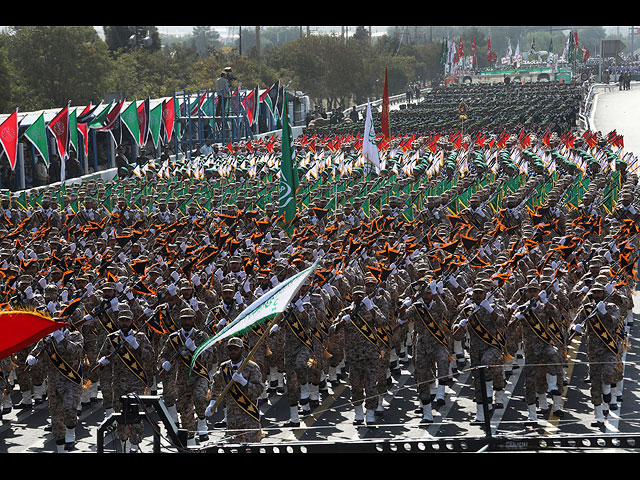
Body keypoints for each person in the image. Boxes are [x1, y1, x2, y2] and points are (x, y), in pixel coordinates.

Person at [97, 306, 154, 453]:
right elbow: (101, 357)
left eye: (127, 320)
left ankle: (135, 446)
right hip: (118, 383)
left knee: (136, 416)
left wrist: (136, 346)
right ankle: (123, 445)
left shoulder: (140, 337)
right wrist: (103, 361)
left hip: (136, 382)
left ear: (132, 322)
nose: (124, 323)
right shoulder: (112, 338)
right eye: (122, 320)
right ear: (118, 321)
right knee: (120, 416)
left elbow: (150, 357)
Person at [158, 307, 214, 446]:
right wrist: (164, 363)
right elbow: (162, 355)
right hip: (182, 379)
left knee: (200, 397)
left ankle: (202, 422)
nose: (187, 321)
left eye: (190, 318)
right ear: (181, 320)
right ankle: (190, 442)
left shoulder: (202, 336)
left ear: (194, 319)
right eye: (184, 319)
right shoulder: (174, 338)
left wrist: (195, 349)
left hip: (199, 375)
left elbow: (210, 356)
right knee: (185, 411)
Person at [26, 322, 84, 452]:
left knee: (69, 409)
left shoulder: (75, 335)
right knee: (56, 418)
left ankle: (70, 433)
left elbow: (77, 350)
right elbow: (35, 352)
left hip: (71, 381)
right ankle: (60, 448)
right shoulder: (47, 339)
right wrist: (30, 359)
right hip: (53, 383)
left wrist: (62, 340)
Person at [207, 337, 264, 443]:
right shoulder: (224, 368)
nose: (233, 351)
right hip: (232, 417)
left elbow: (259, 390)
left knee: (252, 447)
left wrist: (244, 382)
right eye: (230, 349)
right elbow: (216, 384)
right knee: (234, 448)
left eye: (236, 349)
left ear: (242, 350)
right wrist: (212, 402)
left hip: (249, 414)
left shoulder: (252, 367)